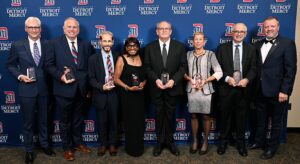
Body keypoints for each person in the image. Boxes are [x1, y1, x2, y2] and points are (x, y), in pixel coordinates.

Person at [6, 17, 56, 164]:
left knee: (44, 120)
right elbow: (10, 65)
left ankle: (45, 145)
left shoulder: (48, 44)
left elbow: (51, 65)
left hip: (44, 89)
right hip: (26, 89)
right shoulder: (17, 45)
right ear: (26, 29)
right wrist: (20, 76)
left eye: (36, 27)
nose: (34, 30)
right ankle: (28, 150)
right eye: (31, 27)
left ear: (40, 29)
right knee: (28, 122)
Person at [45, 17, 94, 161]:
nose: (72, 29)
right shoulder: (54, 43)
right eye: (69, 27)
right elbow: (49, 65)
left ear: (78, 29)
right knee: (65, 120)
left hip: (81, 89)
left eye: (74, 27)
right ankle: (67, 148)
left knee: (78, 118)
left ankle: (77, 143)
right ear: (64, 28)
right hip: (63, 89)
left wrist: (88, 87)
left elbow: (89, 67)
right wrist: (61, 76)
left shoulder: (85, 44)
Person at [249, 16, 297, 160]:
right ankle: (259, 142)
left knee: (276, 123)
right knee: (261, 120)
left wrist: (285, 91)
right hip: (260, 90)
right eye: (266, 27)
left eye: (272, 26)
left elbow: (291, 70)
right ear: (263, 29)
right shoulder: (258, 44)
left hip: (278, 92)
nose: (269, 29)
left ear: (278, 27)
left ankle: (272, 148)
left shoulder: (287, 43)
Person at [144, 21, 187, 157]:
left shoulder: (179, 47)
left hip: (172, 88)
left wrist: (173, 81)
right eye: (161, 29)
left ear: (171, 31)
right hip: (156, 88)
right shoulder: (149, 47)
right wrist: (156, 79)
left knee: (170, 115)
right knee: (158, 115)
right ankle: (159, 143)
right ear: (156, 31)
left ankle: (170, 142)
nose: (163, 31)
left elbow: (183, 67)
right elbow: (147, 67)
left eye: (166, 28)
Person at [216, 23, 256, 157]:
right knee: (224, 118)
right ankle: (223, 142)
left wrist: (247, 79)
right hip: (226, 89)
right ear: (232, 33)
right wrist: (227, 78)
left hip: (244, 90)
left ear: (245, 34)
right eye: (236, 31)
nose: (238, 34)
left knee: (241, 118)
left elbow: (254, 69)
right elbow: (216, 68)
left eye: (242, 32)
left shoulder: (251, 49)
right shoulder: (222, 48)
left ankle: (241, 143)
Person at [184, 32, 223, 155]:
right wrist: (189, 79)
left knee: (206, 116)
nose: (198, 41)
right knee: (194, 115)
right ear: (193, 41)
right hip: (192, 89)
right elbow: (182, 72)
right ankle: (195, 141)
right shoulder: (187, 54)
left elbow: (219, 72)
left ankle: (205, 142)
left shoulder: (211, 54)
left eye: (200, 39)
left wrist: (206, 80)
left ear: (204, 42)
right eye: (196, 39)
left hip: (206, 90)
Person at [88, 31, 119, 156]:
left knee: (114, 120)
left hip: (115, 94)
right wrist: (101, 86)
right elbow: (91, 78)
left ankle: (112, 144)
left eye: (109, 41)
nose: (107, 43)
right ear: (100, 42)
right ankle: (102, 144)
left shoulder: (118, 56)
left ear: (112, 42)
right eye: (104, 41)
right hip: (100, 94)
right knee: (102, 121)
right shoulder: (93, 59)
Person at [114, 37, 146, 157]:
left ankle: (139, 148)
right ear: (126, 47)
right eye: (129, 46)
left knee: (139, 122)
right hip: (127, 96)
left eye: (134, 46)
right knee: (130, 122)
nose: (132, 48)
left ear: (138, 47)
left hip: (140, 95)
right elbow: (116, 79)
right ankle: (131, 149)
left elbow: (145, 76)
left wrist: (144, 83)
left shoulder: (141, 57)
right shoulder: (121, 59)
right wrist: (127, 87)